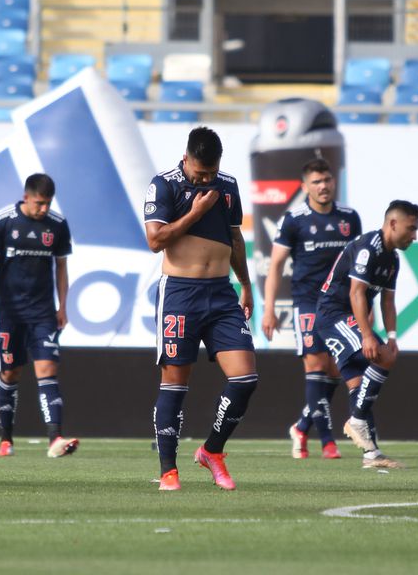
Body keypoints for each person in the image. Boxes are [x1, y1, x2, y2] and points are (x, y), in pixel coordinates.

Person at [144, 126, 258, 491]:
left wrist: (246, 284)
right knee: (175, 383)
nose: (206, 179)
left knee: (245, 378)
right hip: (180, 293)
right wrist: (195, 213)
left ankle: (212, 451)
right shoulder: (164, 185)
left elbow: (235, 237)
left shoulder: (228, 186)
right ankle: (169, 472)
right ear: (186, 158)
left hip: (221, 293)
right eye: (200, 172)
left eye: (212, 172)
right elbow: (155, 240)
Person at [261, 158, 361, 460]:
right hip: (307, 302)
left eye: (327, 180)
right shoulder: (294, 220)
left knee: (335, 369)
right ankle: (328, 442)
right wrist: (269, 308)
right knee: (316, 365)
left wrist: (365, 305)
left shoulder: (349, 217)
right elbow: (275, 265)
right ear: (305, 187)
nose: (323, 186)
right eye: (316, 182)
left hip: (341, 304)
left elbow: (359, 266)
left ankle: (302, 426)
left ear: (334, 182)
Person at [315, 200, 418, 468]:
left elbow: (388, 301)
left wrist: (392, 336)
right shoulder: (368, 247)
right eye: (411, 228)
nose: (414, 236)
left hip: (348, 317)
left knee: (359, 385)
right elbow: (356, 293)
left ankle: (371, 454)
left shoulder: (393, 259)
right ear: (393, 224)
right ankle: (356, 421)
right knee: (383, 357)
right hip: (333, 314)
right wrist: (366, 335)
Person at [0, 173, 79, 459]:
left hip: (43, 313)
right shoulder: (3, 220)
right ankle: (6, 439)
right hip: (9, 313)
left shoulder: (57, 225)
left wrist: (63, 306)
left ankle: (55, 438)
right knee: (10, 373)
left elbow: (61, 268)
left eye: (48, 203)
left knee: (47, 369)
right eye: (39, 203)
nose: (44, 209)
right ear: (26, 197)